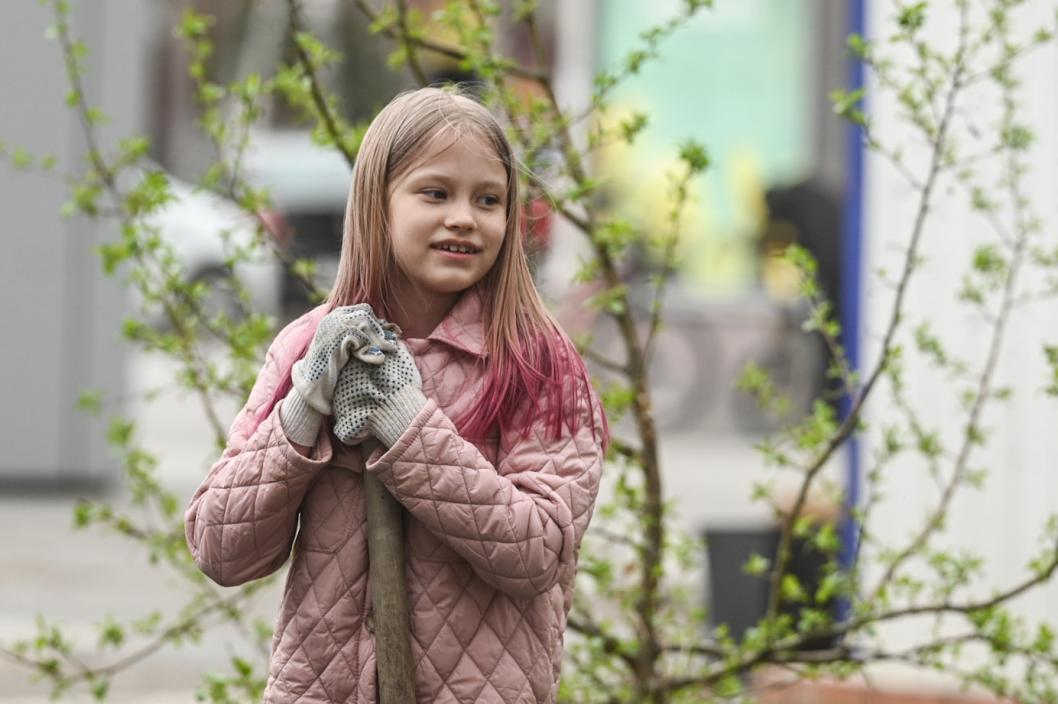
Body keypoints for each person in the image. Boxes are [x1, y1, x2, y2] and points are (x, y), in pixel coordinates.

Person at [184, 86, 609, 704]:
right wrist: (302, 409)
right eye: (435, 193)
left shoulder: (536, 362)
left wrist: (408, 426)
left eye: (488, 200)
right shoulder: (309, 347)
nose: (464, 217)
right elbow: (222, 549)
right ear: (375, 205)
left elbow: (535, 549)